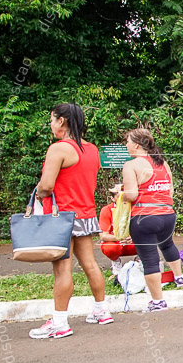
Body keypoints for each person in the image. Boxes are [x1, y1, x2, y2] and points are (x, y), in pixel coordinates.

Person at [29, 103, 111, 338]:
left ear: (62, 121)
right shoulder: (92, 149)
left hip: (61, 217)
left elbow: (46, 186)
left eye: (52, 120)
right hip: (85, 214)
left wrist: (40, 195)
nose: (51, 125)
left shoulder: (59, 149)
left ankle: (59, 322)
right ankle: (101, 310)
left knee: (62, 270)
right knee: (90, 264)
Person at [120, 128, 183, 310]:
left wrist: (121, 194)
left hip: (144, 218)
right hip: (167, 215)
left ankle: (158, 301)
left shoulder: (131, 165)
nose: (126, 145)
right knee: (167, 245)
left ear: (136, 144)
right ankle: (179, 277)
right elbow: (170, 189)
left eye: (127, 142)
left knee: (149, 259)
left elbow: (132, 194)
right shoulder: (162, 163)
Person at [97, 184, 137, 272]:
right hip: (116, 243)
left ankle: (141, 261)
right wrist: (119, 238)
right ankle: (116, 262)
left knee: (148, 240)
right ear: (112, 198)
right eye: (119, 196)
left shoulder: (135, 208)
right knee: (110, 248)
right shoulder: (106, 210)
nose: (123, 198)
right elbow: (103, 236)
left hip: (132, 242)